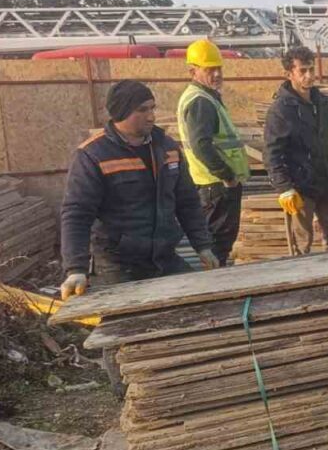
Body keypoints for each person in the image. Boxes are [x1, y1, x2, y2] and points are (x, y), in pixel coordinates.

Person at [59, 79, 219, 299]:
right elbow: (76, 214)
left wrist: (203, 246)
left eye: (152, 108)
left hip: (164, 258)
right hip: (119, 265)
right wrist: (76, 269)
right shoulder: (93, 155)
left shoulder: (167, 148)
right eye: (142, 110)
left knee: (197, 305)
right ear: (121, 113)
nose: (152, 116)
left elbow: (187, 202)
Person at [264, 46, 328, 255]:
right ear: (289, 73)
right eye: (303, 71)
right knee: (302, 245)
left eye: (311, 69)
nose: (309, 76)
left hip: (327, 183)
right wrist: (284, 188)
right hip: (300, 188)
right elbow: (272, 153)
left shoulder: (322, 102)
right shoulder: (281, 110)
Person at [177, 38, 250, 265]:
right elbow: (201, 145)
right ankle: (214, 287)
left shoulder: (205, 97)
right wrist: (226, 175)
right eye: (210, 70)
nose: (217, 74)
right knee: (217, 244)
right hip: (216, 185)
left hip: (214, 184)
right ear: (193, 71)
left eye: (219, 68)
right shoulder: (200, 101)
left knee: (219, 244)